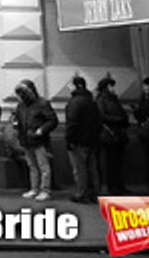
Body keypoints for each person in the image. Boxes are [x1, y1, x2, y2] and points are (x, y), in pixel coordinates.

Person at [12, 78, 58, 201]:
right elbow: (16, 117)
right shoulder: (20, 105)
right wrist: (16, 123)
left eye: (20, 95)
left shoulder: (42, 103)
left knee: (43, 166)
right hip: (26, 139)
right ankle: (34, 189)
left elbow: (53, 120)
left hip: (39, 140)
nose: (18, 97)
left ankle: (45, 190)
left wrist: (42, 130)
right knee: (32, 166)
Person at [64, 75, 101, 203]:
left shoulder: (74, 102)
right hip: (92, 140)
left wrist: (69, 140)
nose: (68, 86)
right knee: (92, 168)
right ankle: (95, 192)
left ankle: (82, 193)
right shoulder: (91, 100)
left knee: (80, 169)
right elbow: (98, 121)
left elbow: (72, 123)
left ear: (76, 86)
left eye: (70, 84)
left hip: (78, 141)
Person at [95, 76, 129, 194]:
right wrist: (118, 119)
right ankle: (111, 187)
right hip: (108, 135)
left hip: (118, 135)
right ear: (106, 87)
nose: (113, 88)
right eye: (111, 86)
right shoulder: (101, 100)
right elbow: (101, 116)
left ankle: (119, 186)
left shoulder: (113, 99)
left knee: (118, 162)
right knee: (110, 163)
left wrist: (123, 119)